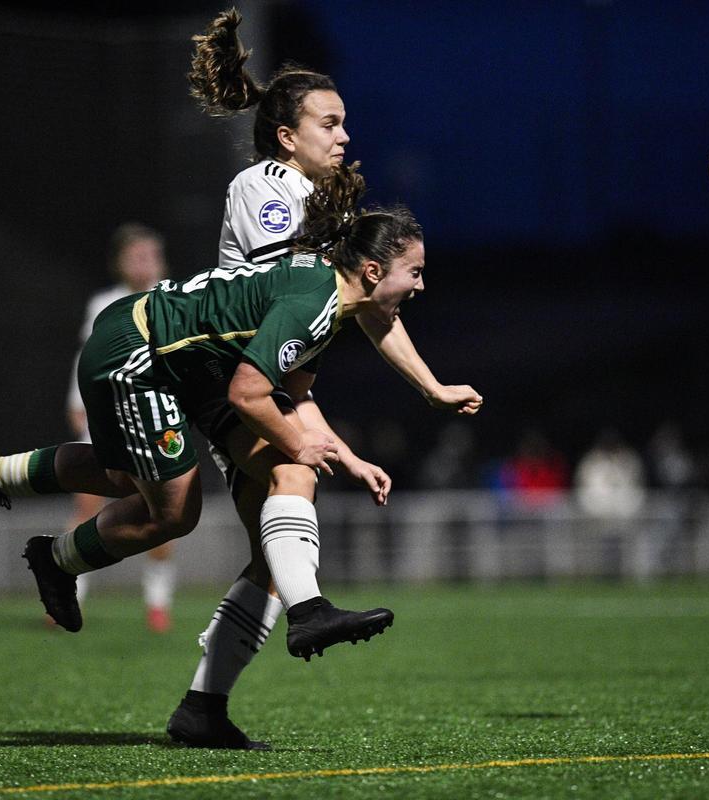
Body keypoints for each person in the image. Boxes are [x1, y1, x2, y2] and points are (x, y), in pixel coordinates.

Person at [0, 164, 474, 750]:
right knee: (176, 510)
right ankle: (58, 560)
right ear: (375, 270)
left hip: (181, 364)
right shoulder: (314, 297)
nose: (421, 286)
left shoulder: (326, 299)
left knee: (134, 475)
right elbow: (250, 393)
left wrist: (346, 456)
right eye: (416, 273)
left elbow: (292, 396)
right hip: (140, 352)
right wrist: (305, 443)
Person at [153, 8, 483, 749]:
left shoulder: (322, 208)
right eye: (329, 124)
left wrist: (430, 388)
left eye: (343, 123)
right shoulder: (268, 187)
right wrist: (308, 414)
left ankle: (204, 707)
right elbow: (293, 299)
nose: (343, 135)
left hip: (267, 378)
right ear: (287, 137)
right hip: (235, 378)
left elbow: (365, 308)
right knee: (293, 484)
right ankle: (307, 617)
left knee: (276, 553)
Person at [64, 223, 175, 633]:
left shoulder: (174, 298)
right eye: (136, 256)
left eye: (150, 255)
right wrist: (76, 403)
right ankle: (69, 595)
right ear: (120, 263)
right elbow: (87, 359)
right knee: (85, 509)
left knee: (165, 511)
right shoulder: (103, 304)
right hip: (107, 417)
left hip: (156, 418)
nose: (143, 263)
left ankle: (158, 603)